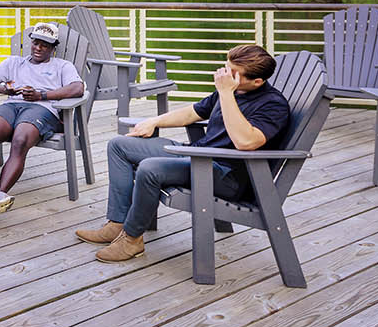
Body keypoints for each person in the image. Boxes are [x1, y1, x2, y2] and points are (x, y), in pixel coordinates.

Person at [76, 44, 290, 263]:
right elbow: (192, 113)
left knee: (150, 168)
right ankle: (117, 224)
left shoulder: (273, 105)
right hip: (198, 157)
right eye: (226, 68)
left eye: (233, 73)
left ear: (257, 81)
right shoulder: (234, 89)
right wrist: (154, 121)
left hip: (224, 175)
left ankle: (132, 240)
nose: (224, 76)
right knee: (119, 145)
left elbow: (246, 142)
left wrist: (226, 93)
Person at [0, 22, 85, 220]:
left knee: (21, 139)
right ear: (30, 42)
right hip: (12, 105)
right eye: (36, 43)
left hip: (43, 109)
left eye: (45, 45)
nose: (39, 48)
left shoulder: (62, 66)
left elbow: (78, 88)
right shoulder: (14, 62)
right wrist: (4, 89)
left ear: (53, 48)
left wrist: (42, 95)